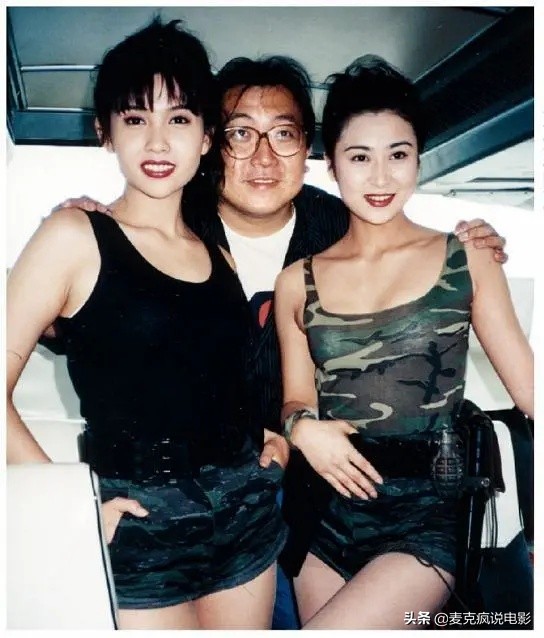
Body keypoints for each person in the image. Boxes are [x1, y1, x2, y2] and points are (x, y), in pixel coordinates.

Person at [52, 56, 508, 630]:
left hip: (321, 485)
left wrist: (474, 244)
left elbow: (414, 263)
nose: (263, 157)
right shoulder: (165, 225)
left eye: (284, 134)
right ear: (212, 143)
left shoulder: (346, 224)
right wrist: (76, 247)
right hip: (195, 495)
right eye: (242, 134)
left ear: (310, 149)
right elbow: (87, 327)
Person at [6, 19, 289, 630]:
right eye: (135, 118)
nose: (158, 141)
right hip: (137, 523)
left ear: (207, 137)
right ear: (105, 132)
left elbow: (209, 373)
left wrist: (270, 437)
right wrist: (72, 506)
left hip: (245, 513)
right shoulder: (73, 236)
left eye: (179, 118)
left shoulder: (217, 253)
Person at [273, 56, 534, 629]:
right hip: (325, 511)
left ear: (418, 159)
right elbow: (296, 399)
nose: (381, 177)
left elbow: (532, 391)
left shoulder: (467, 259)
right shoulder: (297, 281)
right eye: (359, 157)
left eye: (398, 155)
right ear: (331, 165)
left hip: (428, 514)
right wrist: (301, 428)